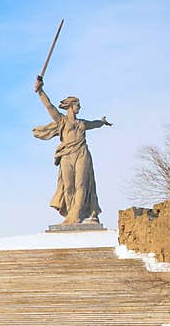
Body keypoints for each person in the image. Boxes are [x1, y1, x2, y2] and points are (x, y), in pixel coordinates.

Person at [33, 76, 111, 224]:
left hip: (81, 153)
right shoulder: (61, 120)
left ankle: (77, 215)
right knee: (68, 187)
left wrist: (102, 122)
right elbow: (49, 106)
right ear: (71, 105)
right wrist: (40, 91)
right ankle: (70, 213)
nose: (80, 108)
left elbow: (94, 124)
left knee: (81, 184)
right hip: (66, 155)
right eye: (78, 105)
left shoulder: (82, 123)